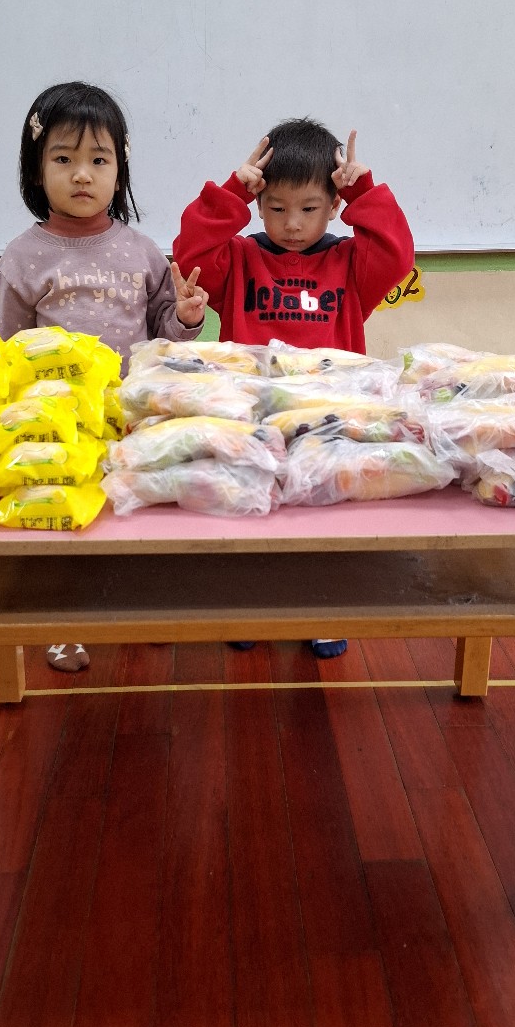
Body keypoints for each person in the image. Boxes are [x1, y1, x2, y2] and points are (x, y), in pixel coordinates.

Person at [173, 116, 414, 658]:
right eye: (277, 208)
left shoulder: (351, 263)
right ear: (260, 204)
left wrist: (364, 192)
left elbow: (397, 256)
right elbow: (191, 257)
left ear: (333, 206)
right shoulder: (240, 258)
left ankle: (324, 608)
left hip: (332, 414)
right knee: (250, 506)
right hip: (252, 412)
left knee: (326, 513)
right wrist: (231, 193)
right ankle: (250, 605)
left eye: (309, 208)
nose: (293, 224)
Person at [0, 81, 208, 670]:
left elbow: (164, 334)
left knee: (137, 513)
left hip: (132, 414)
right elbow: (6, 351)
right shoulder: (22, 257)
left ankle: (143, 609)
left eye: (99, 159)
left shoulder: (142, 251)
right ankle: (65, 623)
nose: (82, 174)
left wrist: (187, 316)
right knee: (68, 523)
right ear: (36, 170)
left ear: (120, 170)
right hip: (58, 425)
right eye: (63, 159)